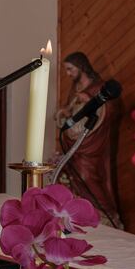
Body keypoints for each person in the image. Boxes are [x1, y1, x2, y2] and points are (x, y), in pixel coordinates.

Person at [54, 52, 123, 229]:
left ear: (81, 66)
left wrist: (90, 101)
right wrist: (66, 113)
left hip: (94, 144)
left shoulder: (100, 87)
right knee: (75, 178)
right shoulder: (75, 88)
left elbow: (112, 108)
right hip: (76, 142)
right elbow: (73, 111)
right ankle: (83, 213)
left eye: (70, 69)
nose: (68, 74)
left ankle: (105, 214)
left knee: (88, 177)